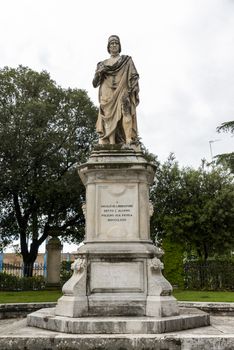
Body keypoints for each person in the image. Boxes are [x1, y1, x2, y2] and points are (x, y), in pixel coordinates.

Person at [92, 35, 140, 145]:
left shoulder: (127, 61)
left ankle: (128, 139)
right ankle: (111, 141)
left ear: (119, 46)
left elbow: (134, 76)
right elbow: (94, 83)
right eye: (111, 43)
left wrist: (132, 87)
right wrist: (99, 73)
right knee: (108, 115)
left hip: (123, 89)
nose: (114, 45)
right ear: (108, 47)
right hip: (107, 91)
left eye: (116, 43)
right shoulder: (102, 64)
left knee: (126, 111)